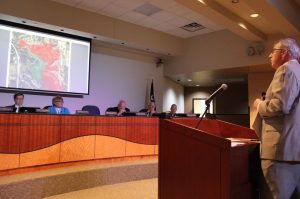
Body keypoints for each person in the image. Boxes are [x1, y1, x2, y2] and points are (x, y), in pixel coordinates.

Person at [253, 38, 300, 199]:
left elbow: (280, 106)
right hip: (293, 151)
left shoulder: (285, 70)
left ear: (284, 53)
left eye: (273, 51)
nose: (270, 55)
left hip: (279, 151)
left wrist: (259, 104)